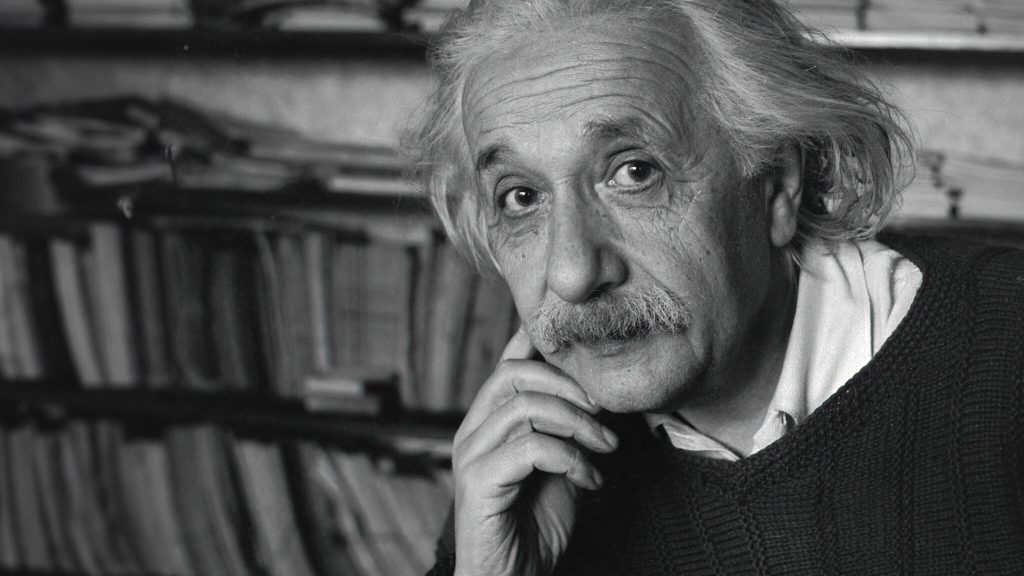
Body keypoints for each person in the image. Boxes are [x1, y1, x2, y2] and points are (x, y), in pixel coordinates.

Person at [407, 0, 1024, 574]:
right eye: (521, 197)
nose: (572, 276)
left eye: (634, 172)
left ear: (777, 186)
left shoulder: (1006, 350)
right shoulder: (531, 462)